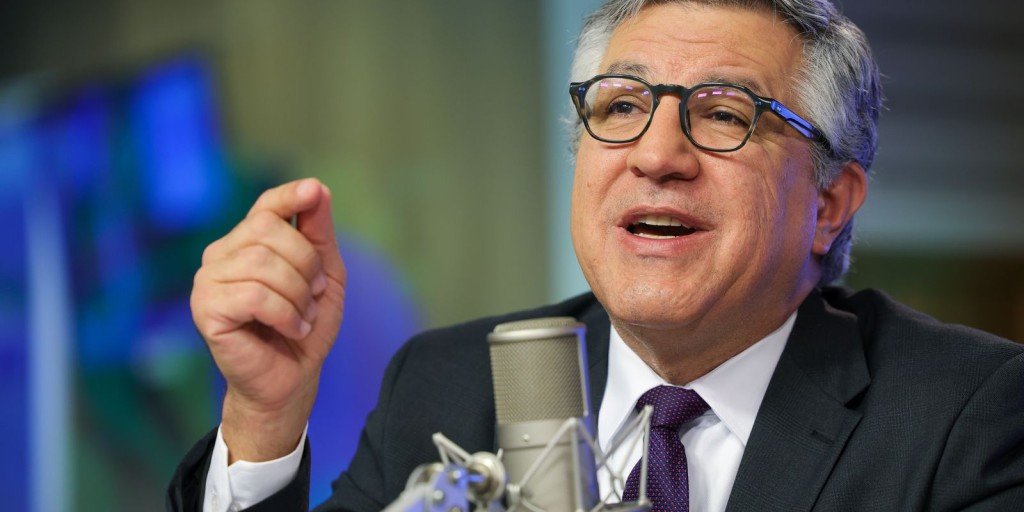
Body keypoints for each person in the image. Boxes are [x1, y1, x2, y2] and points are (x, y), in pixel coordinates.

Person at [167, 0, 1024, 510]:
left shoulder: (967, 418)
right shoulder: (448, 385)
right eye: (620, 107)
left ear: (828, 203)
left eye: (725, 115)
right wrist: (264, 415)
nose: (657, 155)